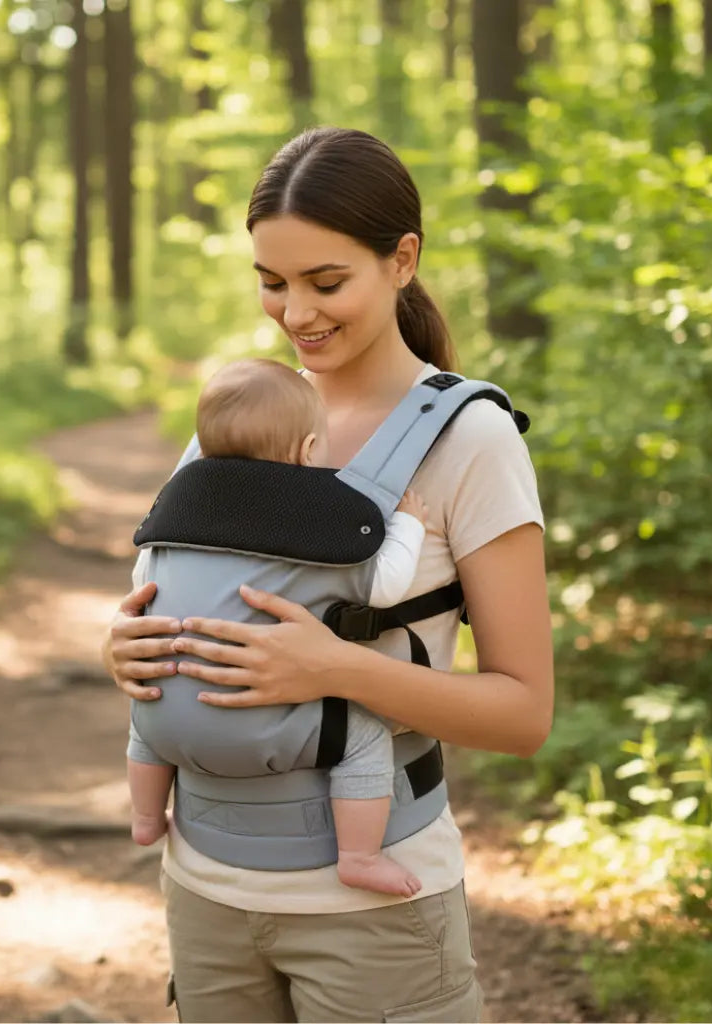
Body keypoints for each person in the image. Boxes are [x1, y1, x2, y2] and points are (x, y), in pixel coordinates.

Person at [103, 126, 553, 1024]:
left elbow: (524, 715)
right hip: (206, 889)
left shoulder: (470, 440)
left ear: (402, 260)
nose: (294, 312)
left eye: (325, 282)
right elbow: (183, 589)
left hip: (374, 913)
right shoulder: (237, 420)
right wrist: (123, 645)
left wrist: (336, 668)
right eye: (272, 282)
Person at [127, 356, 430, 899]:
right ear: (309, 451)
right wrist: (408, 524)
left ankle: (147, 818)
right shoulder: (316, 524)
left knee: (148, 711)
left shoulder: (177, 515)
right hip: (260, 722)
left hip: (166, 722)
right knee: (363, 739)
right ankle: (359, 856)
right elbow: (385, 586)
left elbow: (141, 583)